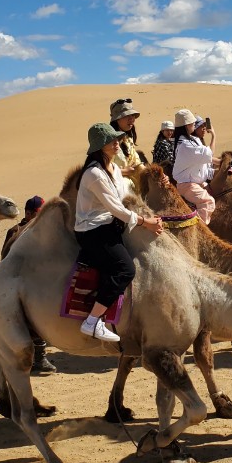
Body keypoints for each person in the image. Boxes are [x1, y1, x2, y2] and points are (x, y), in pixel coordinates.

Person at [74, 122, 164, 343]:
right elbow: (116, 207)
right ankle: (92, 321)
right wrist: (146, 222)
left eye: (117, 139)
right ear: (99, 147)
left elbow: (125, 192)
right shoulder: (94, 174)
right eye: (111, 140)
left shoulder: (113, 168)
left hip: (110, 224)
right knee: (125, 270)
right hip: (93, 230)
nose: (117, 142)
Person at [0, 195, 57, 374]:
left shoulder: (31, 230)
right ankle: (39, 360)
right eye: (39, 214)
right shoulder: (22, 232)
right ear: (28, 213)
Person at [171, 108, 217, 224]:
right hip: (188, 185)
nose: (194, 125)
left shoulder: (193, 140)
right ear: (187, 125)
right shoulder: (186, 145)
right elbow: (209, 154)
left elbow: (204, 163)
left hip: (197, 181)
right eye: (192, 123)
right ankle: (200, 230)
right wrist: (214, 135)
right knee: (208, 202)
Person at [109, 97, 147, 171]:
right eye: (126, 116)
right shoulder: (108, 142)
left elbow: (137, 163)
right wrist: (124, 172)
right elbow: (101, 171)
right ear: (117, 119)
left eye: (133, 115)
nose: (131, 119)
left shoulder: (128, 140)